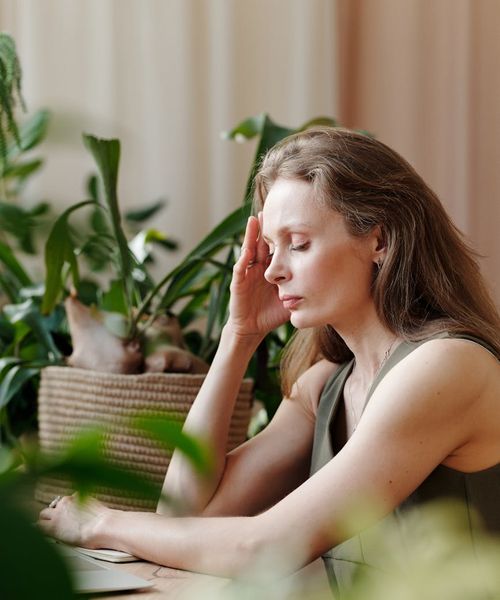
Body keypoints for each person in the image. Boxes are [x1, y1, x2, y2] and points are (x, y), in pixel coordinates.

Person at [39, 127, 500, 594]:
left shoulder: (447, 365)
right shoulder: (328, 384)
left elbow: (265, 547)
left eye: (298, 243)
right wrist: (239, 335)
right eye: (271, 248)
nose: (275, 269)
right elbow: (184, 515)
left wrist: (99, 522)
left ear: (378, 241)